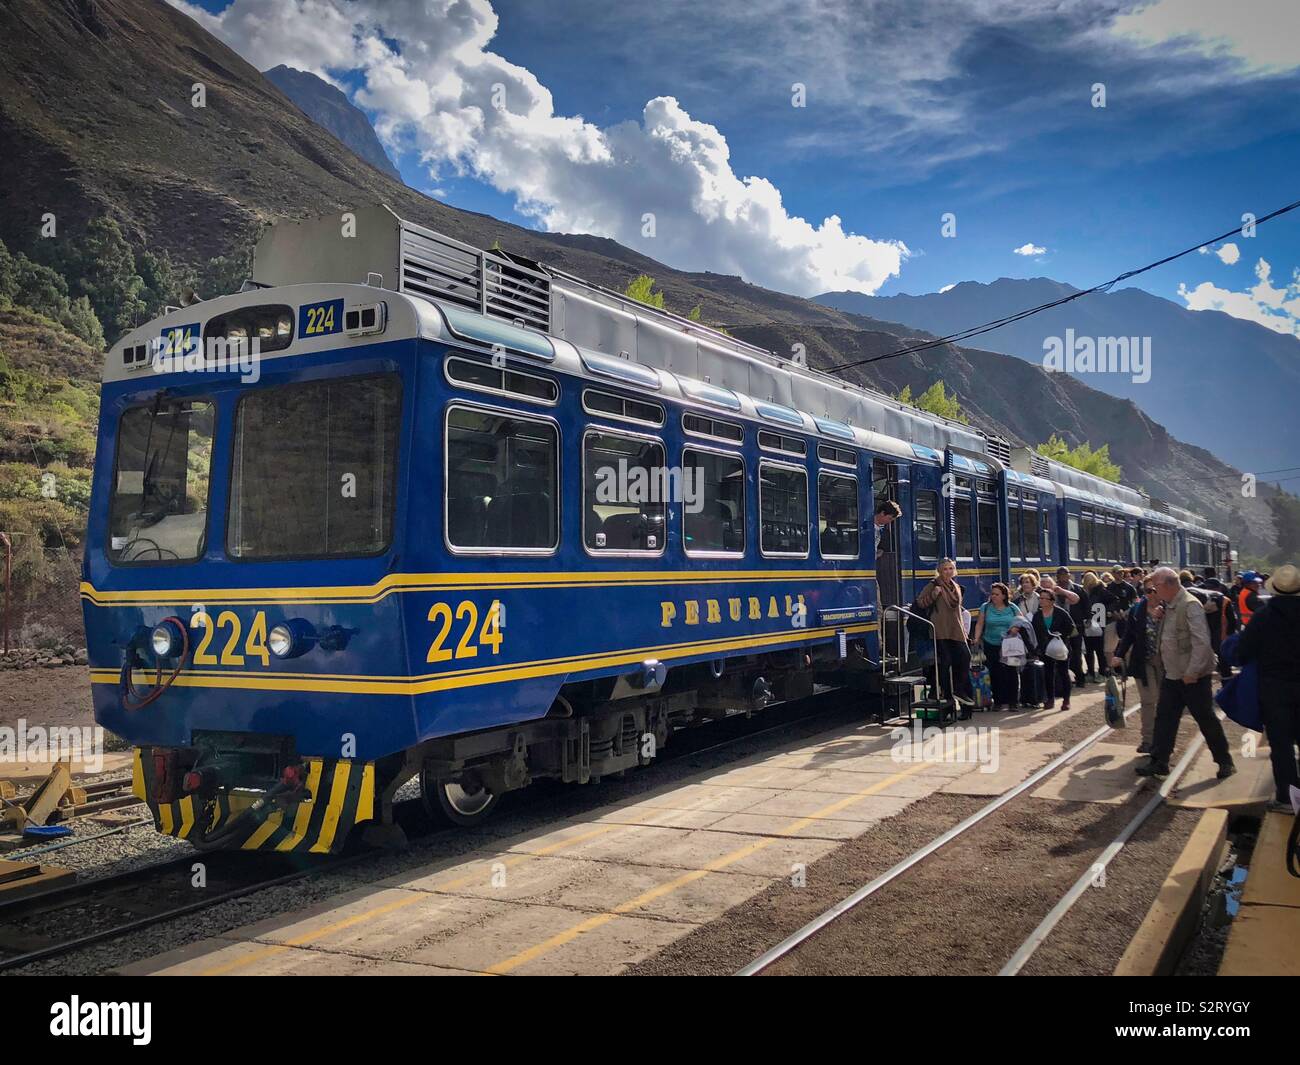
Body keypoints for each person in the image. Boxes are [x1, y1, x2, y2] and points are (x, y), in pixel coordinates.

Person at [1137, 567, 1235, 781]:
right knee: (1165, 718)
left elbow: (1202, 642)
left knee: (1205, 718)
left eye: (1157, 586)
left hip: (1193, 676)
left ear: (1169, 585)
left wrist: (1192, 672)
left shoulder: (1190, 605)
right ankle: (1159, 761)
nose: (1154, 591)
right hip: (1173, 674)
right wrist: (1157, 618)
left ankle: (1224, 761)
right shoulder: (1169, 605)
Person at [1236, 564, 1300, 811]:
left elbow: (1243, 652)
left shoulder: (1263, 615)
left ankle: (1287, 797)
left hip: (1275, 689)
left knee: (1281, 744)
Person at [1111, 579, 1164, 755]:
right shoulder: (1137, 610)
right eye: (1147, 591)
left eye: (1154, 590)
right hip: (1144, 661)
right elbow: (1128, 636)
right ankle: (1148, 740)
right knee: (1148, 701)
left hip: (1167, 663)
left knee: (1165, 702)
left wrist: (1162, 618)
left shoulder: (1170, 608)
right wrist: (1118, 655)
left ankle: (1164, 739)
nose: (1150, 594)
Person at [917, 558, 975, 712]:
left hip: (956, 628)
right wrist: (933, 596)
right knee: (946, 661)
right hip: (940, 628)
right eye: (945, 569)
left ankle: (958, 689)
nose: (948, 571)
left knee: (965, 656)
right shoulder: (933, 585)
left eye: (950, 568)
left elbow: (958, 610)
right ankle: (944, 693)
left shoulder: (955, 586)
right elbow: (920, 603)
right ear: (939, 571)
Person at [971, 582, 1023, 711]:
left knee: (1011, 672)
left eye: (997, 594)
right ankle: (998, 701)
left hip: (1009, 644)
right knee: (995, 673)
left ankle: (1013, 701)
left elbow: (1021, 621)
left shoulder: (1012, 608)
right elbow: (980, 624)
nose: (993, 596)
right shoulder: (986, 607)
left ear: (1004, 596)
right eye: (992, 594)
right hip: (991, 643)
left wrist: (1015, 628)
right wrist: (976, 638)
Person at [1033, 585, 1076, 712]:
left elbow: (1071, 627)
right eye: (1040, 598)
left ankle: (1066, 700)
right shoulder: (1037, 615)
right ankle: (1050, 699)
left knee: (1063, 673)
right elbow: (1035, 631)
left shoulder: (1061, 613)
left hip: (1061, 647)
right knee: (1048, 674)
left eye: (1044, 599)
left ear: (1052, 601)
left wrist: (1059, 634)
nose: (1041, 600)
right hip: (1045, 649)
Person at [1056, 567, 1089, 688]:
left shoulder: (1078, 589)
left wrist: (1086, 619)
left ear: (1069, 576)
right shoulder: (1055, 590)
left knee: (1076, 652)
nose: (1063, 577)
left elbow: (1086, 605)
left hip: (1076, 625)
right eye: (1060, 575)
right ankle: (1065, 679)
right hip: (1060, 627)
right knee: (1063, 653)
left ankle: (1080, 678)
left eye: (1065, 575)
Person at [1080, 570, 1112, 681]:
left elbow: (1112, 601)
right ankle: (1091, 672)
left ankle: (1102, 672)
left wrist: (1107, 612)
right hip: (1088, 623)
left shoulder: (1101, 591)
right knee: (1088, 650)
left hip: (1098, 622)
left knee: (1098, 650)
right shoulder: (1085, 591)